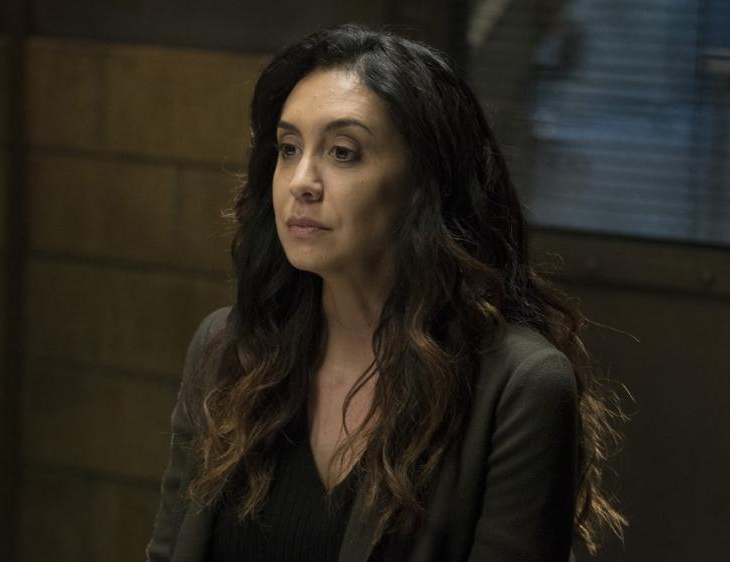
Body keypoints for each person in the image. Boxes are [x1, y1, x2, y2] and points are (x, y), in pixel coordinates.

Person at [147, 24, 626, 562]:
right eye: (288, 148)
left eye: (342, 152)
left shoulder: (518, 386)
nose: (301, 181)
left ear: (423, 184)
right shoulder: (228, 349)